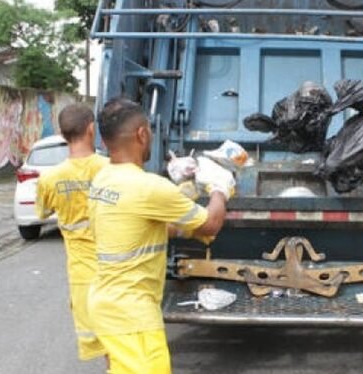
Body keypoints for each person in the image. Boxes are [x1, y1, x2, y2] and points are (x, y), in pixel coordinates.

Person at [88, 98, 233, 374]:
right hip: (133, 316)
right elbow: (212, 224)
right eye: (150, 131)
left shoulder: (102, 178)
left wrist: (181, 209)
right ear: (142, 133)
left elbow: (139, 225)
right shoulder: (148, 187)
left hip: (106, 305)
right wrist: (219, 187)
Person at [35, 103, 109, 363]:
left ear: (63, 134)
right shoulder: (110, 169)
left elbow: (42, 213)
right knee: (120, 343)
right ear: (91, 129)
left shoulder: (50, 178)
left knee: (100, 342)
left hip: (81, 275)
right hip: (115, 268)